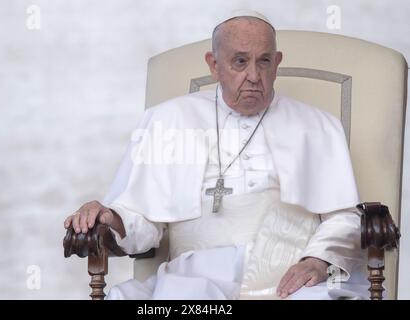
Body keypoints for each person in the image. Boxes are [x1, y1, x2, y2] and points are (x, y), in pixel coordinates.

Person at [64, 10, 368, 299]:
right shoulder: (167, 120)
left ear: (277, 63)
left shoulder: (318, 125)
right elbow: (143, 222)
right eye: (239, 61)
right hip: (195, 280)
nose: (253, 75)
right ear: (213, 65)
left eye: (263, 61)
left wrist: (317, 260)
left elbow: (344, 217)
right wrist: (111, 216)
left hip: (290, 283)